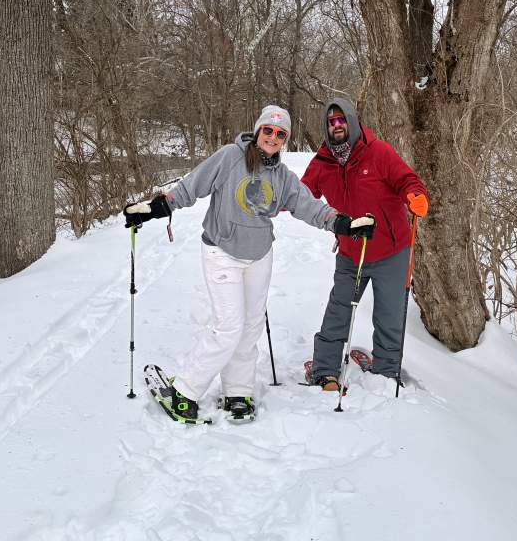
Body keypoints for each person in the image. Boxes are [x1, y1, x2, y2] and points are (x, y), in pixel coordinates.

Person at [123, 105, 375, 421]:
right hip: (221, 251)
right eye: (268, 130)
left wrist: (343, 223)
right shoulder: (230, 157)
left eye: (280, 133)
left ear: (285, 140)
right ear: (257, 131)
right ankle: (185, 392)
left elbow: (309, 207)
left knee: (251, 326)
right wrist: (156, 207)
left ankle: (237, 392)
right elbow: (192, 186)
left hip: (259, 256)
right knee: (228, 326)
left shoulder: (283, 178)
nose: (273, 137)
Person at [301, 97, 428, 391]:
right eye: (331, 122)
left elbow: (407, 180)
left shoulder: (378, 152)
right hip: (350, 253)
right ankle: (324, 370)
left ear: (352, 121)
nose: (337, 126)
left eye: (342, 119)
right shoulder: (322, 162)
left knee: (390, 315)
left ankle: (386, 371)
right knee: (338, 311)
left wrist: (415, 196)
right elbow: (300, 195)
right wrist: (270, 199)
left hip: (392, 251)